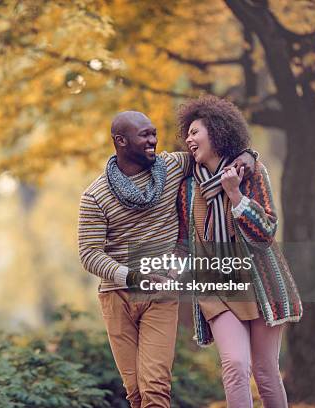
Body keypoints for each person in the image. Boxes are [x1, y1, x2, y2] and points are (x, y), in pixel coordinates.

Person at [77, 111, 256, 408]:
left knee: (156, 387)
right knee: (135, 391)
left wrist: (248, 155)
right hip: (116, 296)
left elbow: (213, 151)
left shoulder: (171, 165)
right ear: (120, 142)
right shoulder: (95, 196)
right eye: (144, 135)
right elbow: (89, 253)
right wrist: (132, 277)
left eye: (154, 133)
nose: (153, 141)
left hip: (162, 292)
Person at [175, 95, 303, 408]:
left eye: (195, 131)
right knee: (235, 366)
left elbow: (266, 232)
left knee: (265, 371)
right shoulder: (187, 185)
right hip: (216, 288)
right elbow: (183, 238)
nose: (189, 139)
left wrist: (235, 196)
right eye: (187, 134)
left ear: (217, 132)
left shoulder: (251, 173)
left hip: (259, 284)